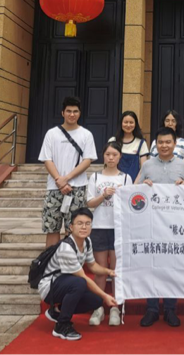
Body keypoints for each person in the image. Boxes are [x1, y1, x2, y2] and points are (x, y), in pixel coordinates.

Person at [136, 127, 184, 328]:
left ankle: (170, 308)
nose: (164, 145)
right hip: (151, 224)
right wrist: (143, 186)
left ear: (175, 144)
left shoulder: (183, 166)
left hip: (175, 225)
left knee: (171, 267)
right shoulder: (148, 165)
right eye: (161, 142)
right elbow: (135, 192)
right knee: (151, 266)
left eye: (168, 142)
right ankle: (151, 308)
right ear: (156, 144)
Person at [39, 208, 118, 342]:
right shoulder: (66, 248)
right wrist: (105, 295)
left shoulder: (87, 242)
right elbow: (83, 277)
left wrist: (108, 271)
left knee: (96, 300)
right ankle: (62, 326)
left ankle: (57, 311)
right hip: (49, 288)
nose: (84, 227)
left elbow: (92, 265)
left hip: (65, 283)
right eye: (80, 223)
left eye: (87, 223)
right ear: (71, 227)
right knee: (79, 283)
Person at [39, 96, 98, 247]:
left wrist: (66, 179)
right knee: (52, 228)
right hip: (54, 188)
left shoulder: (86, 134)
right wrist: (59, 180)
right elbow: (47, 159)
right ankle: (51, 260)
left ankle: (72, 260)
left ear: (80, 113)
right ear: (62, 113)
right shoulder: (52, 133)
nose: (72, 114)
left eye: (75, 111)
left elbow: (87, 160)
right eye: (69, 111)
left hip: (77, 187)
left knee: (75, 228)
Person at [85, 140, 133, 326]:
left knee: (116, 271)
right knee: (100, 270)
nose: (111, 158)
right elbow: (89, 203)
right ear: (103, 156)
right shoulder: (95, 177)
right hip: (99, 226)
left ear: (120, 157)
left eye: (115, 155)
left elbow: (131, 205)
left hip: (119, 228)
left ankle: (115, 307)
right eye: (108, 154)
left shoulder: (126, 178)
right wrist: (103, 195)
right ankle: (98, 307)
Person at [109, 110, 149, 182]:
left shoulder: (141, 143)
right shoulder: (113, 141)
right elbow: (107, 163)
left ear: (135, 124)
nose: (128, 125)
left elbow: (143, 168)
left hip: (134, 183)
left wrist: (135, 185)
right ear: (121, 123)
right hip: (114, 182)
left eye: (131, 122)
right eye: (125, 122)